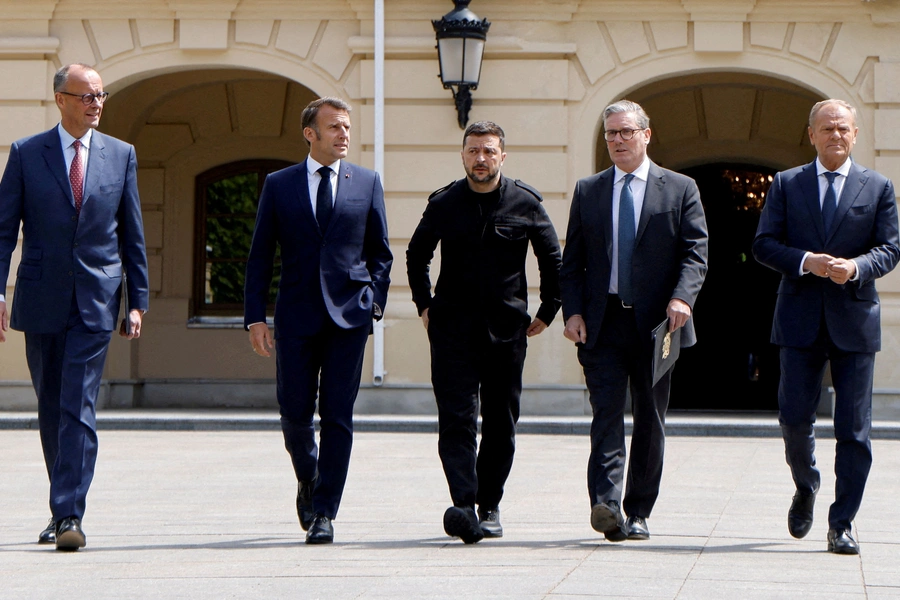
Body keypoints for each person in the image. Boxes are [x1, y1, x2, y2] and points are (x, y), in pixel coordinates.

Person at [0, 63, 149, 551]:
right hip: (42, 297)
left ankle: (69, 514)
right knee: (50, 407)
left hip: (96, 298)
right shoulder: (26, 154)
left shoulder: (121, 155)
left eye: (101, 96)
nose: (96, 104)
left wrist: (137, 301)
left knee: (78, 405)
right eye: (86, 96)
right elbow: (4, 232)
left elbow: (132, 234)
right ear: (61, 98)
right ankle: (60, 505)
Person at [753, 99, 899, 555]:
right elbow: (763, 245)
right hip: (798, 319)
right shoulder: (787, 184)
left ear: (855, 135)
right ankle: (807, 483)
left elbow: (890, 248)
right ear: (811, 134)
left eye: (843, 128)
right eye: (827, 128)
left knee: (854, 429)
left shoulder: (878, 187)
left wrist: (856, 267)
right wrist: (804, 261)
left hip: (854, 319)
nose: (836, 135)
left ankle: (843, 523)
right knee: (794, 419)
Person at [244, 97, 392, 545]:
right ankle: (308, 477)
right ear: (310, 133)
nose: (343, 134)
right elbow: (259, 256)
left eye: (346, 127)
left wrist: (374, 302)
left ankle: (325, 511)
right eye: (334, 127)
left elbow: (380, 253)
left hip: (349, 317)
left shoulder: (366, 182)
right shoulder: (279, 184)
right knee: (293, 413)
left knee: (338, 416)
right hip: (295, 316)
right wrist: (255, 317)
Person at [560, 100, 708, 542]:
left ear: (647, 134)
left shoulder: (680, 188)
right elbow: (573, 262)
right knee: (605, 412)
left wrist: (683, 297)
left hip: (659, 326)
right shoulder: (589, 190)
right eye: (610, 134)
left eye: (626, 132)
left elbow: (695, 252)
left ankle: (639, 509)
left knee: (649, 416)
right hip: (603, 323)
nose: (618, 141)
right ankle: (605, 503)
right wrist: (573, 312)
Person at [406, 121, 561, 544]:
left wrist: (548, 311)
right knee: (455, 420)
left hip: (507, 332)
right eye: (474, 150)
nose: (481, 159)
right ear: (463, 155)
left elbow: (553, 258)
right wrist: (424, 305)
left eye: (489, 151)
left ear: (502, 156)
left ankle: (489, 504)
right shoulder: (444, 203)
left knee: (500, 423)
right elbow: (417, 254)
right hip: (451, 330)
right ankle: (463, 503)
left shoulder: (525, 202)